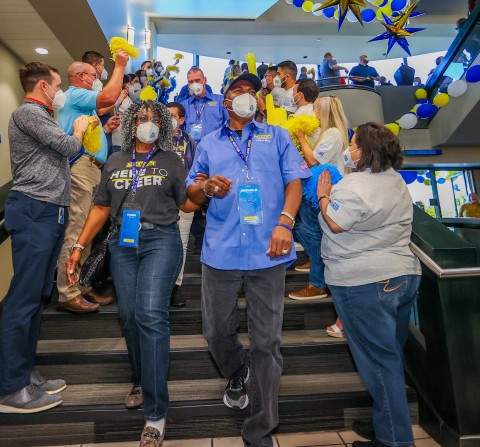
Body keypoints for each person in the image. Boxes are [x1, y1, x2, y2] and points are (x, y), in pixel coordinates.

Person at [186, 73, 311, 447]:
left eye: (250, 91)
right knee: (215, 331)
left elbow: (295, 181)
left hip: (269, 250)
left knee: (267, 342)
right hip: (220, 252)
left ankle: (261, 428)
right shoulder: (208, 142)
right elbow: (193, 189)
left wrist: (286, 223)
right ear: (225, 104)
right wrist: (206, 187)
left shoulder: (278, 136)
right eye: (236, 91)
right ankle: (237, 370)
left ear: (258, 100)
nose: (245, 95)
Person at [66, 100, 198, 447]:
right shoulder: (116, 160)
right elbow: (100, 207)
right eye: (142, 117)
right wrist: (79, 248)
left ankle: (155, 414)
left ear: (165, 126)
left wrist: (206, 191)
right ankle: (141, 380)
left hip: (161, 239)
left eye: (155, 119)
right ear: (130, 122)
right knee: (128, 316)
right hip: (123, 244)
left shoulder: (171, 160)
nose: (148, 123)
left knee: (151, 315)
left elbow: (185, 203)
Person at [316, 122, 421, 447]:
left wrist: (323, 194)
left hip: (364, 282)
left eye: (354, 143)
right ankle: (386, 428)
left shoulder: (353, 185)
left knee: (379, 363)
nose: (350, 148)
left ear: (365, 150)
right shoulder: (395, 181)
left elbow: (335, 223)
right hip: (403, 277)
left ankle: (396, 442)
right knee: (389, 359)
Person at [0, 62, 89, 413]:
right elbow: (69, 148)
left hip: (49, 210)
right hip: (34, 209)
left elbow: (65, 155)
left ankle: (25, 373)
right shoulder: (28, 113)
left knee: (37, 298)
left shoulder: (43, 115)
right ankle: (10, 387)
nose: (60, 90)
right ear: (42, 86)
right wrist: (79, 130)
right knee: (22, 301)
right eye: (56, 84)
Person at [56, 50, 129, 313]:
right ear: (81, 77)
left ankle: (82, 285)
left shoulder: (82, 103)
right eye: (92, 74)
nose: (96, 77)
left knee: (85, 232)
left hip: (93, 168)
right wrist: (120, 65)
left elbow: (104, 105)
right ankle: (68, 293)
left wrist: (106, 129)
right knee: (76, 230)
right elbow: (106, 97)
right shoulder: (75, 93)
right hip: (81, 168)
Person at [289, 96, 349, 301]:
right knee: (307, 230)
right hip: (318, 188)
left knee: (310, 231)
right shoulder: (328, 133)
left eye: (315, 109)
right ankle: (316, 263)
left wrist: (301, 137)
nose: (313, 113)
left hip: (322, 190)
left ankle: (317, 282)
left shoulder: (332, 134)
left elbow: (313, 159)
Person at [166, 102, 198, 307]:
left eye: (171, 115)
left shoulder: (190, 142)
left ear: (181, 120)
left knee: (181, 243)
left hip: (183, 198)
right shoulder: (151, 139)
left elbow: (196, 169)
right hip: (157, 199)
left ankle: (175, 287)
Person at [181, 66, 229, 142]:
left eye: (197, 80)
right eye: (191, 81)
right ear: (188, 84)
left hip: (216, 148)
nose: (194, 84)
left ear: (205, 80)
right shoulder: (184, 105)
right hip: (192, 150)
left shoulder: (220, 101)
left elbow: (230, 125)